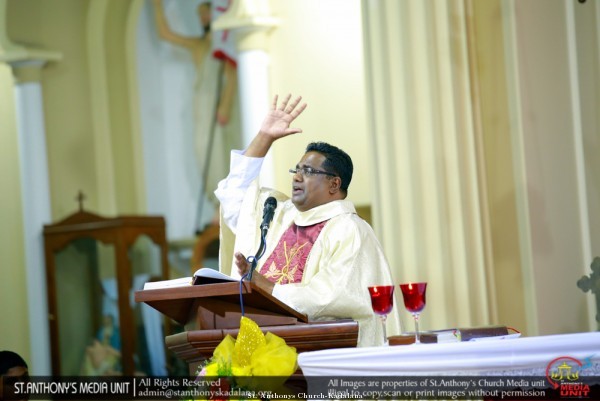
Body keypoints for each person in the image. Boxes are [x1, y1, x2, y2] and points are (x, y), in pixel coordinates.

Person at [215, 94, 402, 347]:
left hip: (321, 353)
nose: (297, 177)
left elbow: (334, 297)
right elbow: (234, 196)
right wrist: (264, 137)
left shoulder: (349, 229)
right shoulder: (278, 216)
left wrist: (269, 288)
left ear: (334, 184)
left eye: (309, 171)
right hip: (261, 347)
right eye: (297, 170)